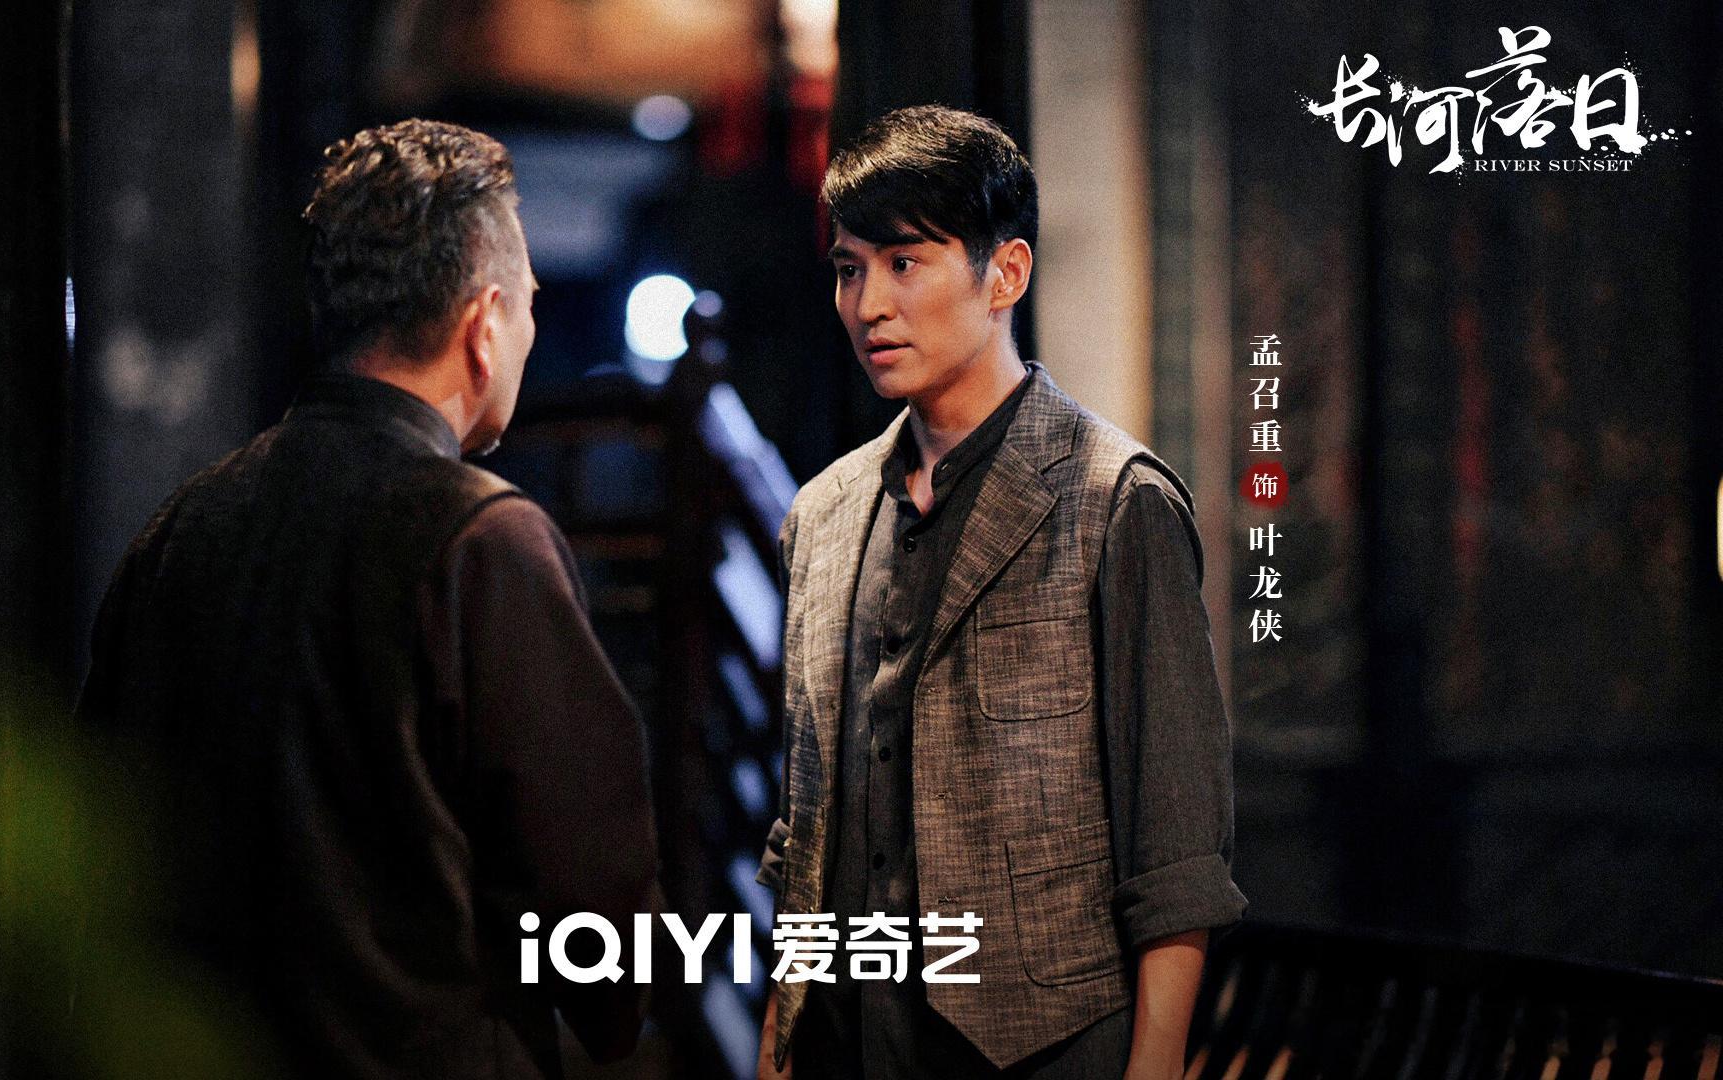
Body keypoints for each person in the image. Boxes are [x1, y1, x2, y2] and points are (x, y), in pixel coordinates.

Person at [75, 119, 661, 1080]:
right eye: (528, 305)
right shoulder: (484, 542)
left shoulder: (179, 532)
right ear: (484, 326)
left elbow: (96, 863)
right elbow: (602, 933)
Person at [755, 106, 1247, 1080]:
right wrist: (780, 1040)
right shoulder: (824, 514)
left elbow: (1176, 851)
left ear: (1006, 274)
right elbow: (802, 836)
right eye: (849, 270)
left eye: (905, 263)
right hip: (849, 1044)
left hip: (1038, 1048)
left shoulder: (1114, 500)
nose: (869, 305)